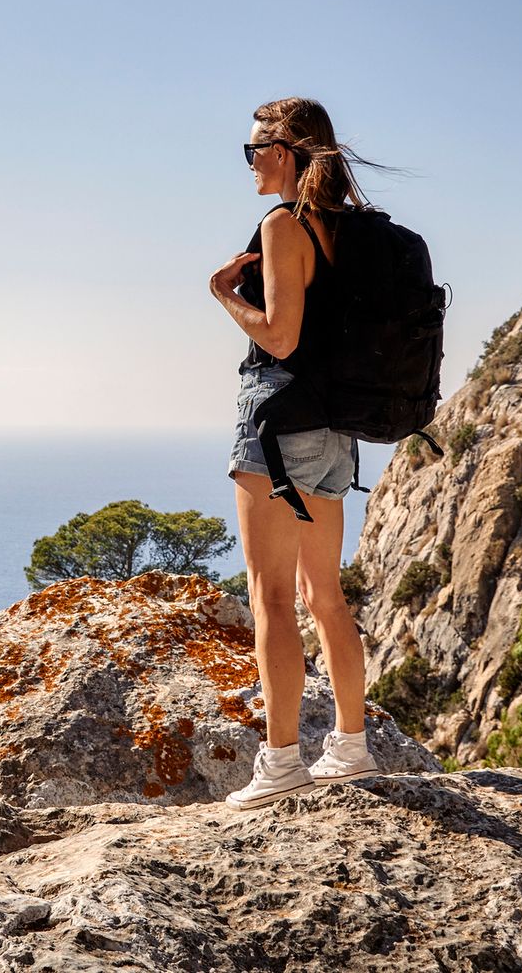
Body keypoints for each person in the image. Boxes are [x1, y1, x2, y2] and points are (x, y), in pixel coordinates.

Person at [207, 96, 389, 811]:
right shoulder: (354, 229)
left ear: (285, 151)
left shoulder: (286, 224)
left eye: (256, 149)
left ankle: (281, 763)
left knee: (271, 597)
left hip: (279, 429)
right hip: (335, 429)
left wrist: (223, 294)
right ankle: (351, 747)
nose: (251, 162)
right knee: (325, 592)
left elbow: (280, 337)